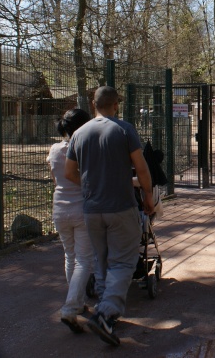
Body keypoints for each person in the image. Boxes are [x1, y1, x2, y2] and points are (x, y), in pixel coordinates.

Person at [65, 86, 155, 346]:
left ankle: (104, 313)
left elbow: (70, 172)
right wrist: (148, 197)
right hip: (120, 206)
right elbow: (142, 168)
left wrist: (91, 184)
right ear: (116, 105)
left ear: (94, 105)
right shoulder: (124, 129)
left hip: (92, 208)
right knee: (124, 262)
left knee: (100, 260)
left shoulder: (79, 133)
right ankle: (105, 315)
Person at [46, 108, 93, 333]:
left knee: (70, 255)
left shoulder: (54, 149)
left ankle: (78, 303)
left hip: (59, 208)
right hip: (81, 209)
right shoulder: (84, 148)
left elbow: (56, 179)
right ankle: (71, 307)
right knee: (84, 260)